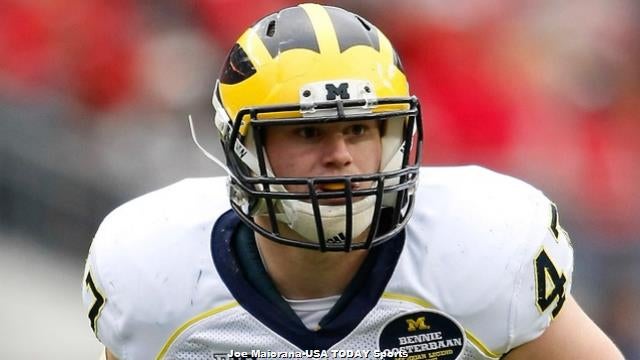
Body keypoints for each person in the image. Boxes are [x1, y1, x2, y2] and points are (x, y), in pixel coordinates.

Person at [82, 3, 623, 359]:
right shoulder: (155, 275)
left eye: (360, 128)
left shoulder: (483, 251)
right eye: (309, 134)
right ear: (246, 148)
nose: (340, 156)